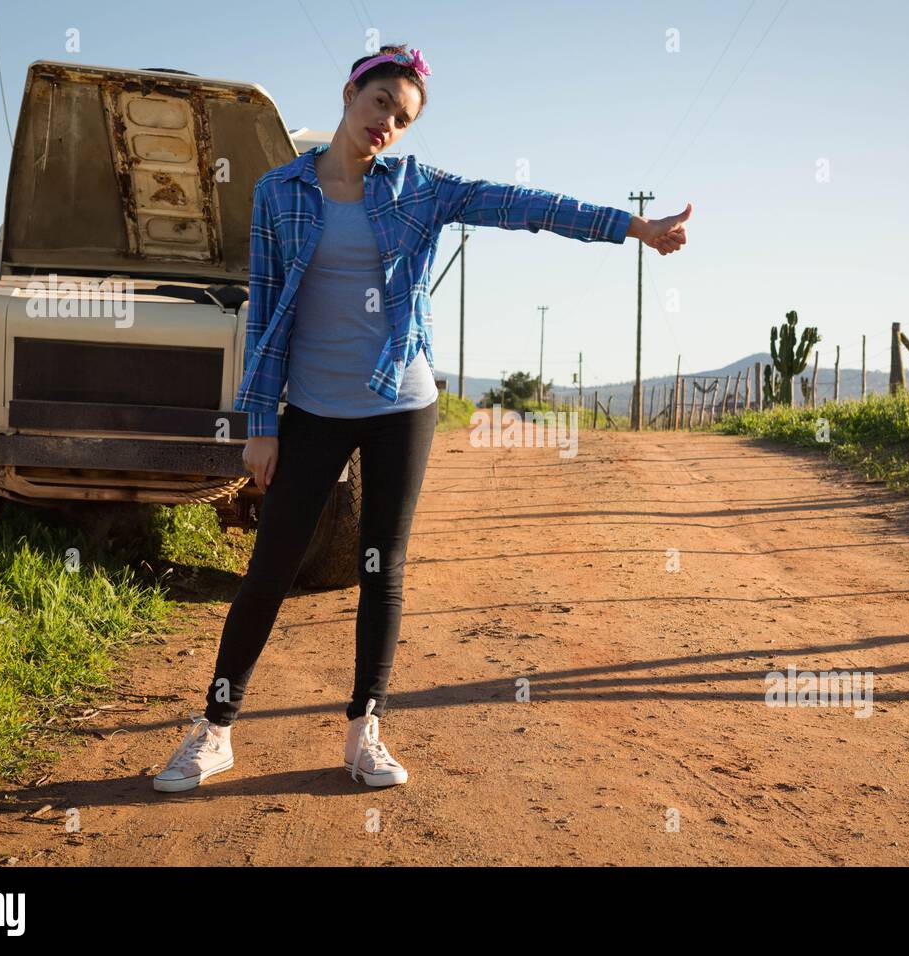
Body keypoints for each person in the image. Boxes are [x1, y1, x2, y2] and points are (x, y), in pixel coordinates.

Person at [153, 43, 691, 793]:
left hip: (401, 402)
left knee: (383, 567)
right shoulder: (279, 192)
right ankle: (214, 730)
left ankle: (363, 730)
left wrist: (633, 229)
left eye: (402, 119)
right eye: (380, 105)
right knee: (271, 566)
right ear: (351, 94)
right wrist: (260, 423)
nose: (387, 125)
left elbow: (528, 208)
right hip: (312, 404)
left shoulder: (421, 189)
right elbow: (266, 311)